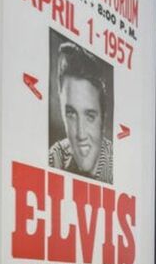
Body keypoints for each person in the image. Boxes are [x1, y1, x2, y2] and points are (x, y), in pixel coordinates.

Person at [48, 41, 113, 183]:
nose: (80, 134)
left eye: (90, 116)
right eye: (71, 114)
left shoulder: (115, 165)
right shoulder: (57, 156)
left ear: (103, 118)